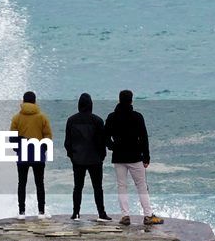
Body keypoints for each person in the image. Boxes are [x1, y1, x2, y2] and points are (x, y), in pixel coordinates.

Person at [105, 89, 164, 226]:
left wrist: (112, 146)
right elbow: (144, 137)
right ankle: (148, 215)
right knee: (141, 186)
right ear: (131, 100)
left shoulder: (112, 117)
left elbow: (105, 136)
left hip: (119, 156)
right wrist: (146, 157)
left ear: (119, 100)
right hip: (135, 156)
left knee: (122, 186)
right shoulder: (137, 117)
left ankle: (125, 216)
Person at [64, 92, 111, 222]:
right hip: (95, 159)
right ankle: (101, 213)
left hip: (78, 159)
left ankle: (76, 213)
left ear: (79, 105)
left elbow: (67, 142)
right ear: (91, 105)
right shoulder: (97, 120)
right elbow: (102, 142)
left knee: (77, 187)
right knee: (98, 187)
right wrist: (102, 156)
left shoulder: (71, 120)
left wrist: (72, 156)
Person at [10, 90, 52, 218]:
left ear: (23, 101)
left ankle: (22, 212)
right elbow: (48, 136)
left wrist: (18, 149)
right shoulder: (42, 117)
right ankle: (41, 212)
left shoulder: (16, 118)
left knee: (21, 183)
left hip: (22, 154)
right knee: (40, 183)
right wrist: (42, 149)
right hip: (38, 154)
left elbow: (12, 138)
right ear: (35, 101)